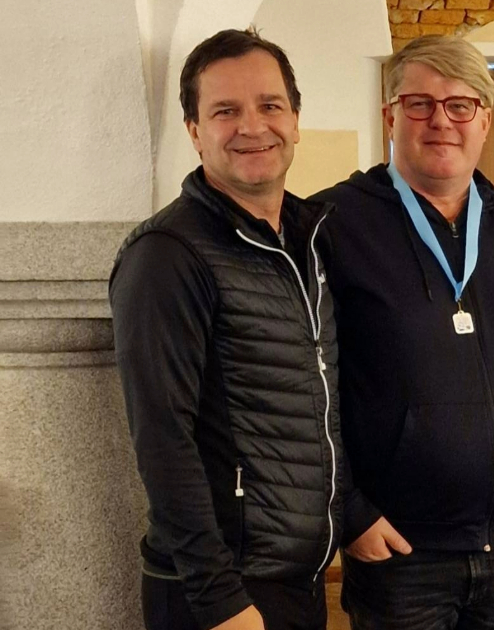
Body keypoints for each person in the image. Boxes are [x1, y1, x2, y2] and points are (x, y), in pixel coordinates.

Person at [310, 35, 494, 630]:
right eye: (420, 104)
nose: (441, 121)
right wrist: (348, 510)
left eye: (461, 104)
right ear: (390, 116)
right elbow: (310, 388)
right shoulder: (331, 225)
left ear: (484, 119)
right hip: (399, 552)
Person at [110, 28, 343, 630]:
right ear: (194, 131)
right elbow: (163, 438)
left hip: (295, 579)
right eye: (225, 111)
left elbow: (320, 406)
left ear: (295, 120)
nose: (252, 126)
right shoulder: (167, 255)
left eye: (270, 105)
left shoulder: (307, 238)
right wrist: (219, 599)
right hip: (222, 595)